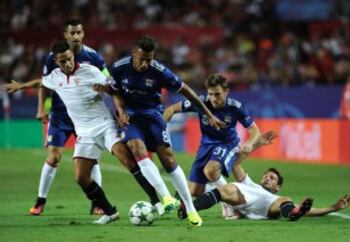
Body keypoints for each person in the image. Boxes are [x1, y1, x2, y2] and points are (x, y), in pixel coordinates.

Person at [7, 19, 163, 216]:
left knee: (127, 160)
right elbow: (42, 83)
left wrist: (118, 108)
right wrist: (21, 86)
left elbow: (114, 88)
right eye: (63, 61)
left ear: (73, 56)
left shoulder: (90, 70)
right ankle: (108, 211)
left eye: (69, 59)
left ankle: (156, 200)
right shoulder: (55, 76)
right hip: (84, 132)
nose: (68, 63)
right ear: (56, 62)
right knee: (81, 177)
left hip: (105, 125)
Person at [94, 36, 225, 226]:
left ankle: (190, 207)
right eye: (142, 59)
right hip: (131, 116)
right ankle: (166, 197)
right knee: (137, 148)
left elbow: (187, 91)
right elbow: (116, 92)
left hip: (153, 115)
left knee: (168, 159)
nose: (145, 63)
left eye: (149, 59)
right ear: (134, 54)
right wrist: (121, 112)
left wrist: (209, 114)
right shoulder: (120, 67)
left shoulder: (160, 71)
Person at [163, 74, 261, 217]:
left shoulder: (235, 107)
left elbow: (255, 131)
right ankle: (224, 192)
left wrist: (249, 143)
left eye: (217, 94)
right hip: (205, 147)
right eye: (210, 94)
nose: (214, 98)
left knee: (211, 170)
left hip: (228, 144)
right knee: (195, 191)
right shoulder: (200, 103)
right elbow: (171, 109)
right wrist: (161, 130)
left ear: (226, 92)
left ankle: (231, 205)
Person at [178, 164, 350, 221]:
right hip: (245, 200)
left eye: (272, 178)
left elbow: (310, 210)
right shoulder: (249, 184)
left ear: (277, 186)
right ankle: (189, 208)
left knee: (287, 202)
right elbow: (235, 164)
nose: (267, 179)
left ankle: (292, 213)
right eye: (266, 176)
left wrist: (333, 208)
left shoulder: (278, 196)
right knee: (225, 189)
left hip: (267, 207)